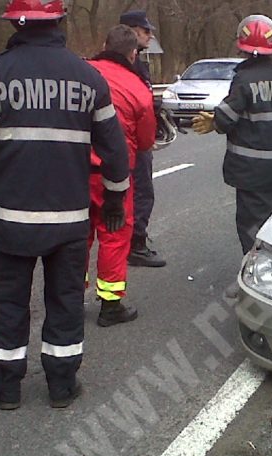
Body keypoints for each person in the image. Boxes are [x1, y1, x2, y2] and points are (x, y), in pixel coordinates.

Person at [0, 0, 130, 410]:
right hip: (70, 220)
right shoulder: (89, 77)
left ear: (16, 22)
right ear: (60, 21)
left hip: (13, 220)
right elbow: (115, 150)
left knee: (8, 302)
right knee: (66, 300)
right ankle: (62, 386)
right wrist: (116, 197)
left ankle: (4, 388)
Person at [192, 14, 272, 256]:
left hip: (251, 172)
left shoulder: (244, 80)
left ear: (242, 47)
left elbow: (227, 118)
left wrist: (215, 122)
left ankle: (255, 277)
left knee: (251, 228)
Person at [87, 25, 157, 327]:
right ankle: (110, 305)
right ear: (132, 54)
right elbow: (145, 142)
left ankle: (67, 294)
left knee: (77, 236)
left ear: (103, 44)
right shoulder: (137, 88)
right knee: (114, 235)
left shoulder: (81, 73)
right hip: (115, 177)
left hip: (74, 171)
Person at [120, 10, 167, 267]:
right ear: (132, 31)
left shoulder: (137, 62)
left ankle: (132, 239)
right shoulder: (127, 64)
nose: (150, 35)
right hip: (131, 140)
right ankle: (135, 243)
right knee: (139, 192)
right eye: (146, 31)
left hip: (131, 139)